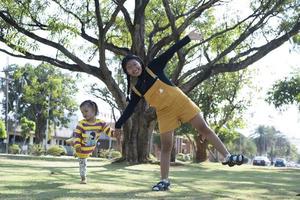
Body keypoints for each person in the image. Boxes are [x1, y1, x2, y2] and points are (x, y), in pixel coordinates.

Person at [114, 30, 248, 191]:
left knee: (203, 129)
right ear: (127, 72)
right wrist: (118, 124)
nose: (133, 68)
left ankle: (227, 156)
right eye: (129, 68)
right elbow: (130, 109)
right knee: (166, 146)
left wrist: (188, 38)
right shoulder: (136, 89)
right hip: (164, 112)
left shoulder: (154, 67)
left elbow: (170, 51)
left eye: (135, 64)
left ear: (140, 63)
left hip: (181, 102)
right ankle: (164, 181)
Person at [69, 100, 113, 184]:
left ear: (94, 110)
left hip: (90, 148)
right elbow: (77, 135)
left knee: (75, 143)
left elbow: (108, 131)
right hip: (81, 149)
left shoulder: (101, 123)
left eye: (86, 111)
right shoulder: (81, 124)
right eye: (82, 112)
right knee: (82, 164)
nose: (84, 114)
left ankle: (71, 142)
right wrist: (77, 146)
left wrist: (115, 134)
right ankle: (83, 178)